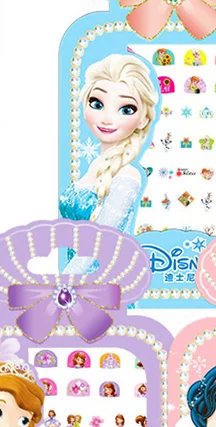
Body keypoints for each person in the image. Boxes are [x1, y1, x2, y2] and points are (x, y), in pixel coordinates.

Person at [60, 54, 157, 272]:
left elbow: (95, 247)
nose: (107, 118)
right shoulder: (95, 165)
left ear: (143, 119)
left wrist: (62, 284)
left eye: (126, 109)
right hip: (75, 282)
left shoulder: (127, 176)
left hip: (102, 286)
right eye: (97, 104)